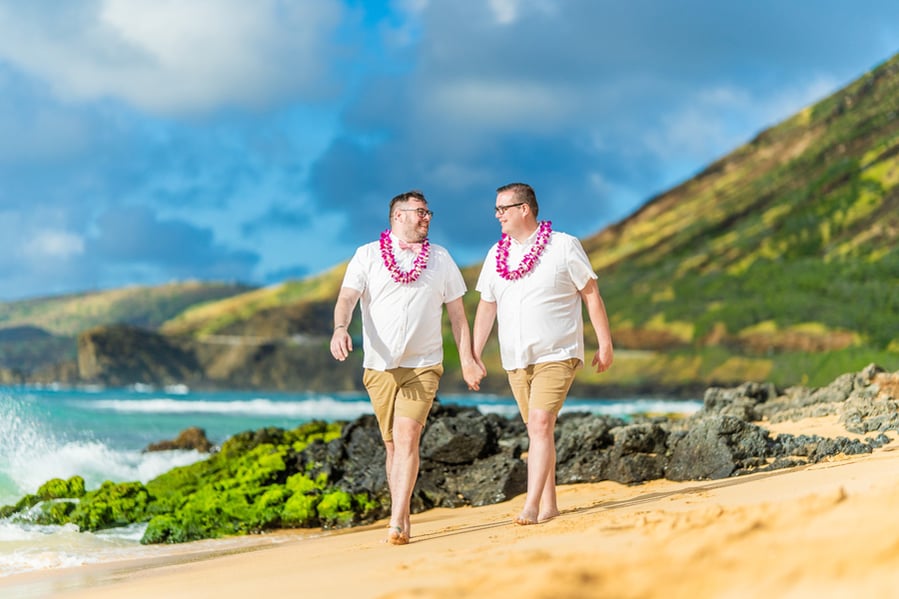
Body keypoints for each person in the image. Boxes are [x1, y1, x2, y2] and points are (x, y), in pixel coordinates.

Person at [330, 190, 484, 545]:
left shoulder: (441, 259)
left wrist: (467, 360)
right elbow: (347, 298)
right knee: (392, 447)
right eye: (420, 212)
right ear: (398, 216)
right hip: (379, 366)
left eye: (429, 212)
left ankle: (397, 521)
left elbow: (458, 317)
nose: (427, 217)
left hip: (423, 364)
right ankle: (401, 513)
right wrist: (340, 328)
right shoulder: (367, 255)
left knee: (407, 436)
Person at [472, 182, 613, 526]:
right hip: (516, 357)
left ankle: (530, 506)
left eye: (502, 209)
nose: (497, 215)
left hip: (558, 351)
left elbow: (591, 294)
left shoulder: (564, 246)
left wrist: (605, 342)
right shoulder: (496, 255)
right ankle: (550, 504)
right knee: (539, 431)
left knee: (539, 423)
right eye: (496, 210)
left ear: (524, 209)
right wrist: (472, 355)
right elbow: (486, 307)